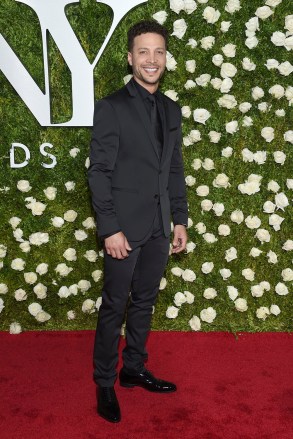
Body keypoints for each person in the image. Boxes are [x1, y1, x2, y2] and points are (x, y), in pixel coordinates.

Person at [88, 20, 188, 423]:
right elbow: (98, 172)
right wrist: (110, 227)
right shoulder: (112, 106)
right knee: (114, 305)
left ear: (166, 59)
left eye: (158, 52)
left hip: (160, 226)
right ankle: (103, 383)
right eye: (143, 52)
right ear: (130, 58)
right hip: (123, 229)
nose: (151, 59)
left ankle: (133, 370)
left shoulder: (171, 108)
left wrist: (179, 219)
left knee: (145, 301)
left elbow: (174, 168)